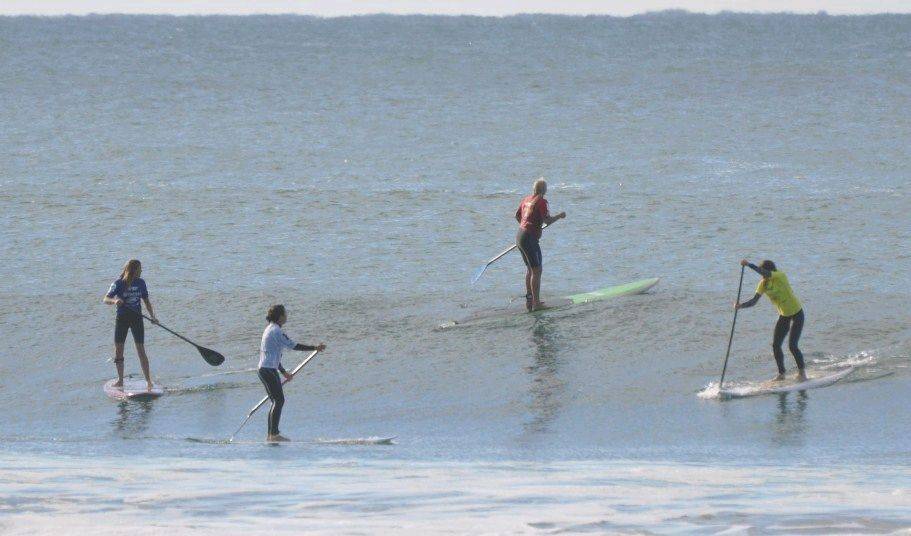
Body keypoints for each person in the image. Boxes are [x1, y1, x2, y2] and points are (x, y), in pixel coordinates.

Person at [258, 304, 326, 442]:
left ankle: (271, 435)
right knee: (278, 400)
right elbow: (293, 346)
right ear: (280, 317)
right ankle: (273, 435)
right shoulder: (276, 331)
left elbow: (273, 355)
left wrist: (283, 372)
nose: (286, 316)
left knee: (276, 401)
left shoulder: (270, 329)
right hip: (268, 370)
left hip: (267, 369)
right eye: (285, 314)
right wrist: (315, 348)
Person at [735, 259, 807, 381]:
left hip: (797, 313)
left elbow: (765, 273)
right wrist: (740, 306)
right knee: (776, 345)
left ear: (769, 270)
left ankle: (802, 373)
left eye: (763, 272)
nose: (763, 276)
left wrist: (749, 265)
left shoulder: (779, 276)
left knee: (792, 346)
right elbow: (754, 301)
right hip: (784, 315)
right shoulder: (763, 284)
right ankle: (781, 374)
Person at [102, 259, 158, 391]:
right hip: (122, 319)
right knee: (119, 350)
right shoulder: (118, 283)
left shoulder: (141, 283)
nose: (141, 271)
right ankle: (120, 380)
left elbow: (146, 301)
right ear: (133, 270)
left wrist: (152, 316)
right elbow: (105, 299)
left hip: (137, 318)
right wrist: (115, 301)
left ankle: (148, 381)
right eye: (140, 269)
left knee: (141, 350)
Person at [515, 178, 566, 311]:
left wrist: (527, 225)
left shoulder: (526, 199)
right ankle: (536, 304)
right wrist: (559, 216)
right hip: (529, 239)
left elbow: (517, 216)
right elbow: (547, 221)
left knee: (530, 269)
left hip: (520, 235)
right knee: (537, 270)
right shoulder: (542, 201)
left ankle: (530, 301)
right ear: (544, 190)